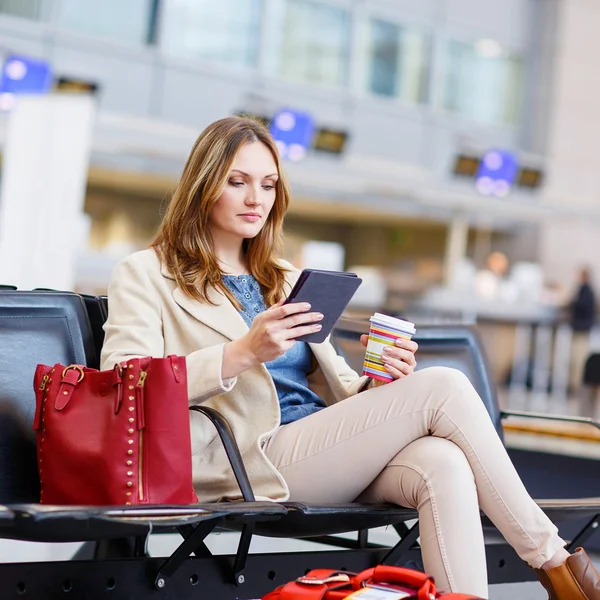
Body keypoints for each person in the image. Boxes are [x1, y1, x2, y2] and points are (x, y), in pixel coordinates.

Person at [100, 117, 599, 599]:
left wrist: (381, 384)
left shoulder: (282, 275)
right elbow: (123, 387)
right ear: (204, 183)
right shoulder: (146, 273)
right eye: (238, 181)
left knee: (442, 462)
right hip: (242, 460)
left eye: (269, 185)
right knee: (442, 386)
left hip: (316, 449)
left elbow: (338, 388)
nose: (257, 198)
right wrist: (239, 355)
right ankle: (557, 564)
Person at [569, 267, 597, 395]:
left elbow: (580, 306)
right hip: (581, 328)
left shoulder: (586, 291)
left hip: (582, 328)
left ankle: (577, 386)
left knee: (579, 358)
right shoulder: (585, 290)